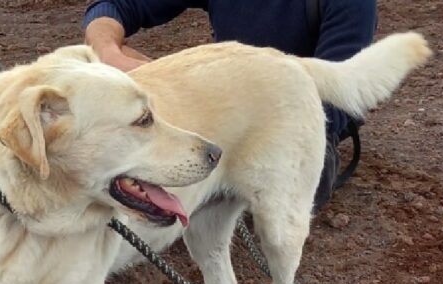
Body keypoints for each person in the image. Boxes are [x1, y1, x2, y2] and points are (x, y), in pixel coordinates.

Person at [83, 0, 378, 210]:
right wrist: (109, 54)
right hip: (228, 112)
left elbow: (335, 100)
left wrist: (248, 131)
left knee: (284, 192)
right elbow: (116, 6)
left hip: (291, 121)